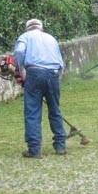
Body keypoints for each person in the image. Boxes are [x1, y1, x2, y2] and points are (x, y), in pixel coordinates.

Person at [13, 19, 67, 159]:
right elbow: (61, 62)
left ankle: (34, 149)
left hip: (34, 74)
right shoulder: (51, 38)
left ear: (28, 28)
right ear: (41, 28)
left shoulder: (25, 37)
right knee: (55, 109)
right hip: (53, 74)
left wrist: (20, 70)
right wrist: (56, 77)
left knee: (32, 111)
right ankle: (60, 146)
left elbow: (19, 52)